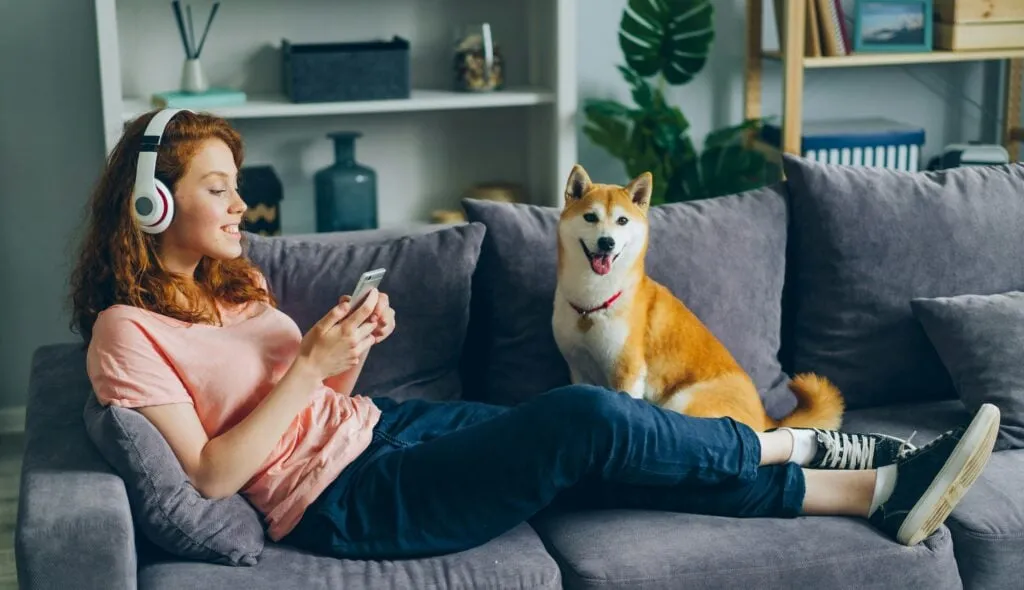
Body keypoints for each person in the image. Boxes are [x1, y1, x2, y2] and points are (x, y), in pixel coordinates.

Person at [71, 108, 1001, 562]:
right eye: (216, 187)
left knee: (596, 448)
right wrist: (307, 365)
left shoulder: (235, 284)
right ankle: (834, 459)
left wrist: (340, 356)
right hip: (341, 502)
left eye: (237, 183)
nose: (241, 203)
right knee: (582, 420)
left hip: (375, 429)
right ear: (151, 203)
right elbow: (212, 474)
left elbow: (315, 400)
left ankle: (867, 487)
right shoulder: (125, 330)